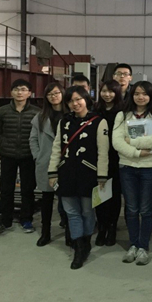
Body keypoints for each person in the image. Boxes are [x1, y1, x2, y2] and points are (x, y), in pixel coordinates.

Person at [48, 86, 109, 270]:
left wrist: (102, 176)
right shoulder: (64, 122)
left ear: (86, 99)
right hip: (66, 174)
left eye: (78, 99)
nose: (75, 104)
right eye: (70, 101)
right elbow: (57, 148)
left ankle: (86, 241)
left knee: (87, 212)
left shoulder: (99, 122)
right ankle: (79, 247)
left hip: (89, 175)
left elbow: (103, 152)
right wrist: (52, 172)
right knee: (72, 212)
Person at [112, 81, 152, 265]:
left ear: (150, 96)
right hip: (127, 167)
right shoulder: (122, 115)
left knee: (146, 209)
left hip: (150, 167)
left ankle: (143, 246)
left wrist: (131, 141)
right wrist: (137, 152)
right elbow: (117, 142)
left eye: (144, 94)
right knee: (131, 209)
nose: (140, 97)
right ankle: (133, 244)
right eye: (136, 93)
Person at [0, 79, 40, 232]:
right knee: (6, 188)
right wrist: (4, 143)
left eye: (23, 89)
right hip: (8, 155)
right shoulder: (2, 111)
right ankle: (5, 219)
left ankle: (26, 219)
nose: (20, 92)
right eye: (16, 89)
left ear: (29, 93)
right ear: (11, 92)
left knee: (28, 189)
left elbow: (39, 134)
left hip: (28, 155)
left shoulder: (36, 112)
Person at [29, 82, 67, 247]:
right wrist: (38, 156)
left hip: (67, 162)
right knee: (47, 199)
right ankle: (45, 232)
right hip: (46, 162)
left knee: (67, 199)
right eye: (50, 94)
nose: (54, 96)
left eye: (57, 93)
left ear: (62, 94)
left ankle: (69, 233)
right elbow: (33, 139)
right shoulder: (40, 117)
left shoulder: (70, 114)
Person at [93, 80, 124, 246]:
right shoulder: (95, 110)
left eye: (111, 91)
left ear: (117, 92)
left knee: (114, 195)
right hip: (98, 158)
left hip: (117, 158)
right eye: (104, 91)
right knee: (100, 193)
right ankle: (102, 227)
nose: (107, 94)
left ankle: (112, 227)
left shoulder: (123, 111)